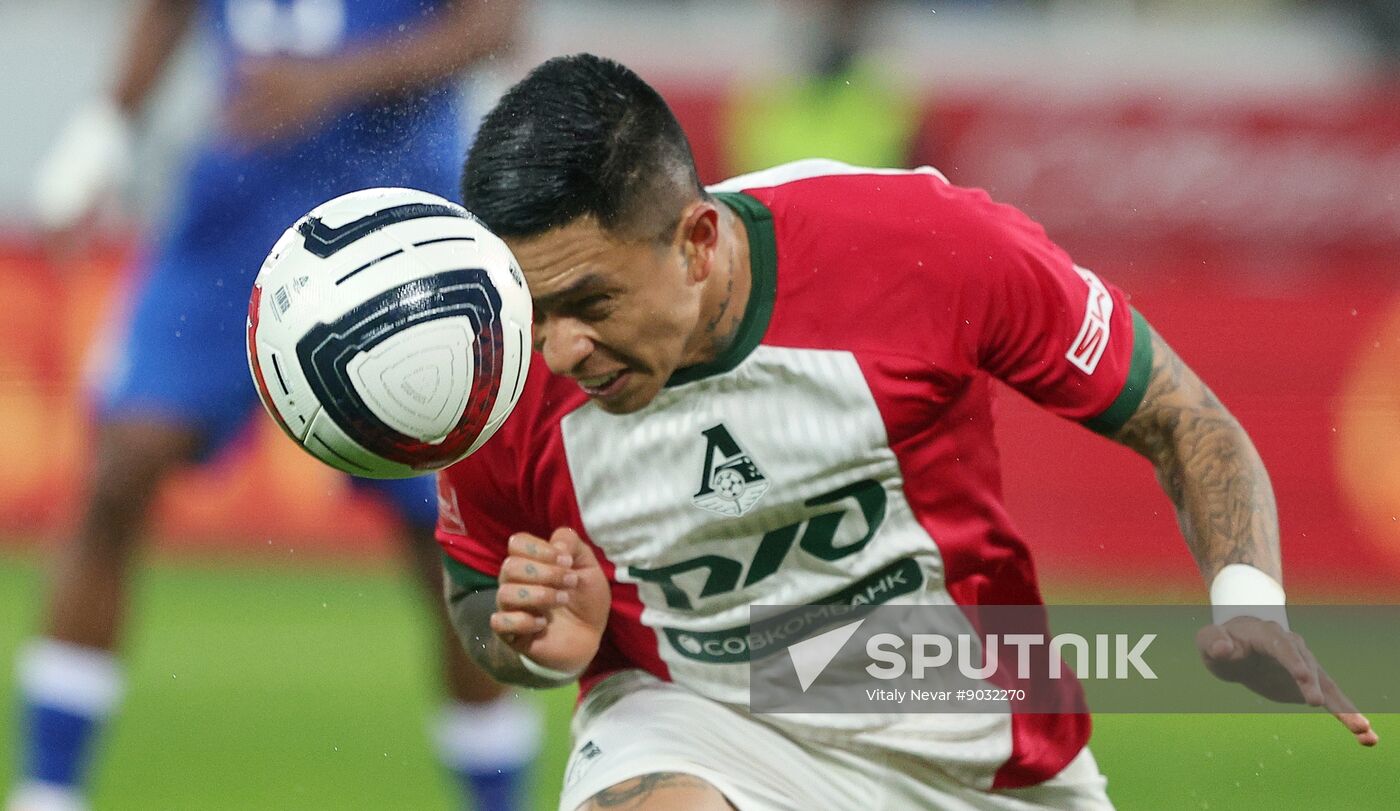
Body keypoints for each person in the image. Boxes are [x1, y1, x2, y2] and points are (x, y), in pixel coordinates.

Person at [438, 53, 1379, 811]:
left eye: (590, 302)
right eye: (534, 308)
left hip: (978, 748)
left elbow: (1182, 418)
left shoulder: (926, 247)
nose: (560, 347)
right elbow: (477, 585)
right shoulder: (497, 372)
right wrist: (523, 635)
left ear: (696, 241)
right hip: (696, 719)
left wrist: (1248, 598)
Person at [10, 3, 536, 811]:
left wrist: (333, 80)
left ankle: (497, 799)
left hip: (393, 217)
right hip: (233, 200)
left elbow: (495, 22)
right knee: (121, 465)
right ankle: (49, 789)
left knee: (448, 543)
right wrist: (104, 131)